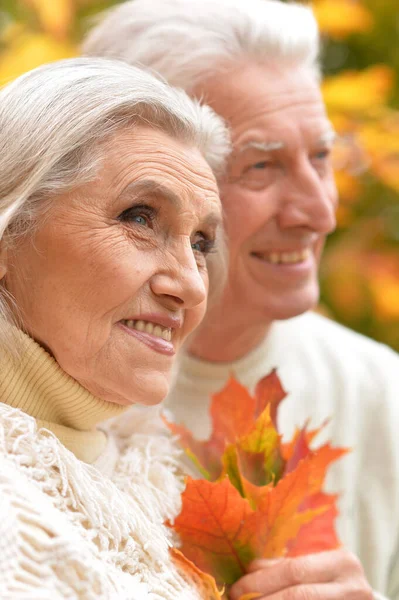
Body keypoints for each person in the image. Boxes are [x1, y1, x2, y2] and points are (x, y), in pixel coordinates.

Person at [83, 1, 399, 599]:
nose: (319, 212)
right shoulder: (46, 408)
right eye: (262, 165)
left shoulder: (382, 392)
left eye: (322, 157)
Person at [0, 56, 230, 598]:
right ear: (9, 234)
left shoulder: (159, 475)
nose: (192, 287)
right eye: (140, 218)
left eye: (200, 244)